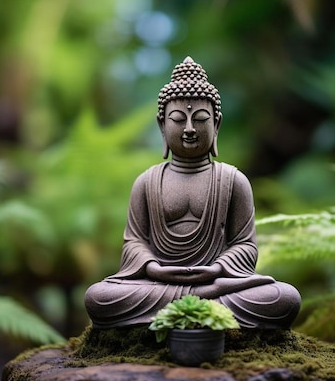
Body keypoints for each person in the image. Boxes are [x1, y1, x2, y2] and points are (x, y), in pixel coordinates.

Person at [85, 57, 301, 329]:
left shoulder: (233, 180)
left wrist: (217, 269)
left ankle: (182, 310)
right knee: (99, 297)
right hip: (158, 285)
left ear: (217, 125)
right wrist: (152, 268)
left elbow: (245, 245)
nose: (189, 129)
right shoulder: (146, 182)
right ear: (163, 126)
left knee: (284, 298)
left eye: (200, 119)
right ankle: (202, 309)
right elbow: (134, 242)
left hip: (216, 283)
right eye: (178, 120)